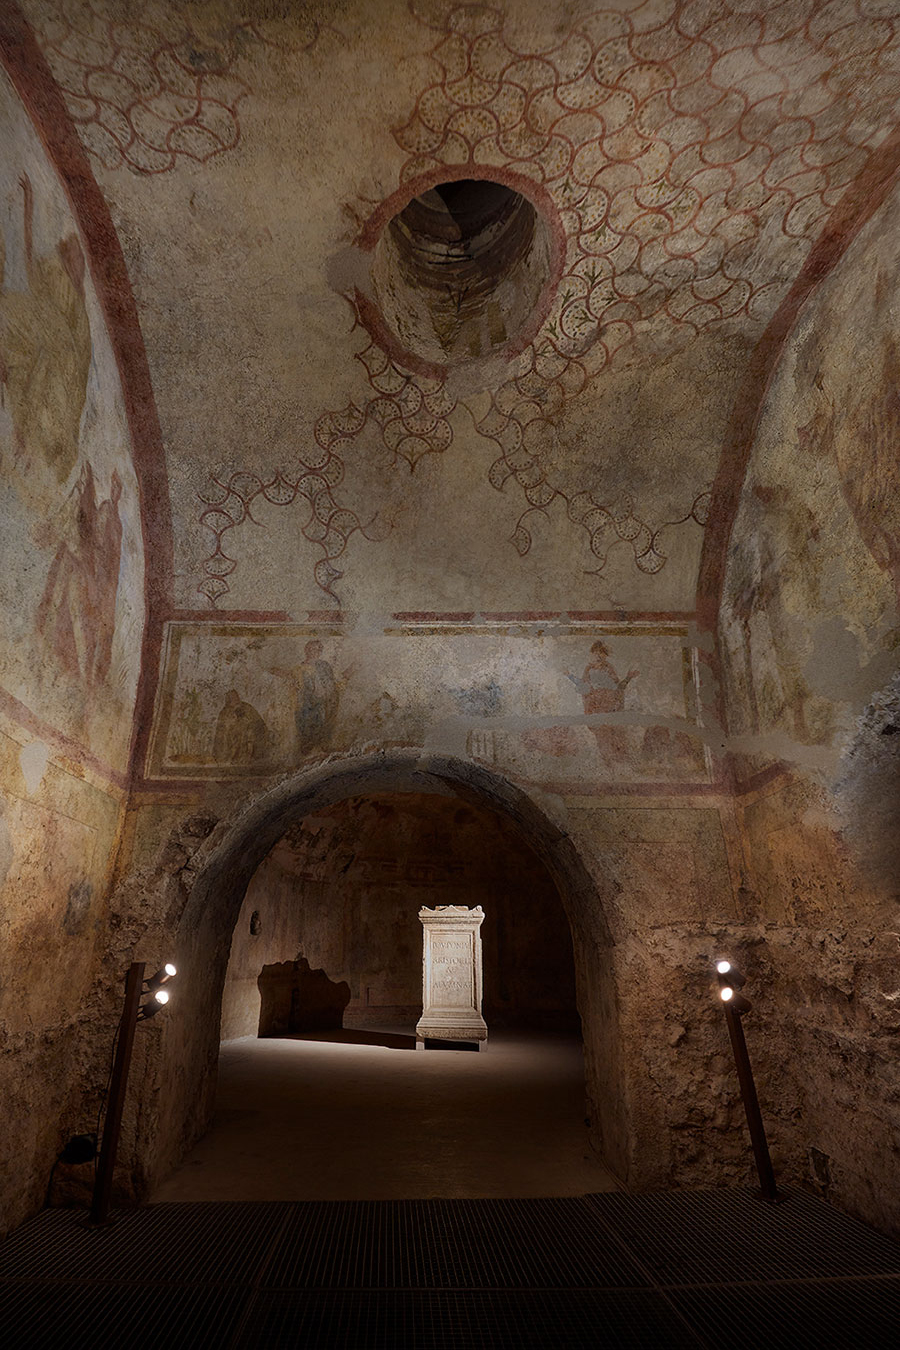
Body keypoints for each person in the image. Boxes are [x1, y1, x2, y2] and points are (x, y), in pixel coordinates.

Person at [568, 640, 638, 760]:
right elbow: (584, 686)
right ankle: (607, 761)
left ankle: (620, 760)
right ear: (593, 654)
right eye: (596, 653)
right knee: (601, 735)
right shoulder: (589, 668)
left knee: (616, 733)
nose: (599, 655)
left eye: (602, 653)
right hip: (596, 706)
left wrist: (629, 677)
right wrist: (569, 676)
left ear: (605, 655)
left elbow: (618, 688)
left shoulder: (609, 668)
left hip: (610, 705)